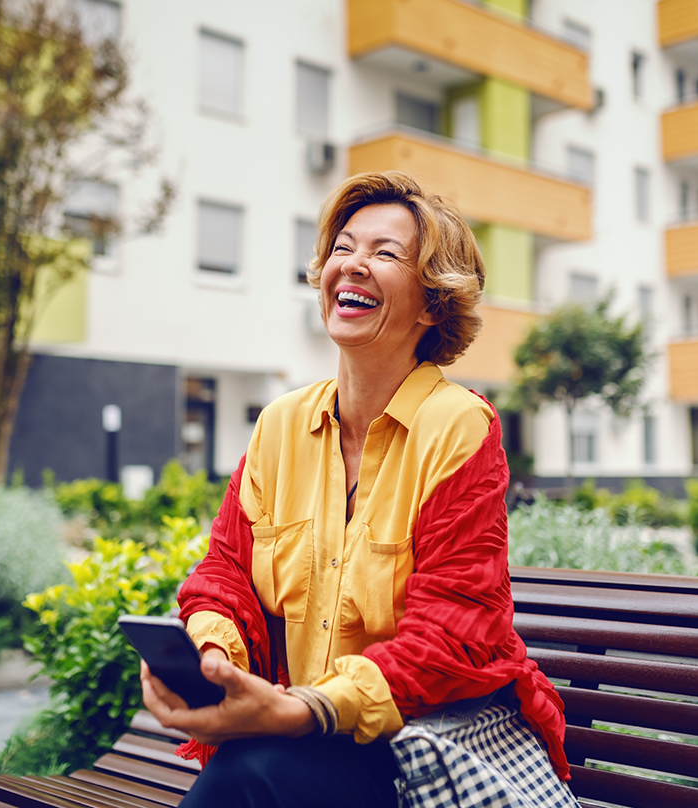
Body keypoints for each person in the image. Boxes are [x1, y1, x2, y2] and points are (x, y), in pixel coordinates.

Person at [141, 170, 572, 808]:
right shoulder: (281, 425)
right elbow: (224, 574)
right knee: (254, 767)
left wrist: (311, 708)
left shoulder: (458, 426)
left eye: (385, 253)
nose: (353, 265)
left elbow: (452, 631)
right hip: (306, 743)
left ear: (432, 304)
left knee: (248, 772)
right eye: (342, 248)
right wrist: (212, 660)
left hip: (421, 744)